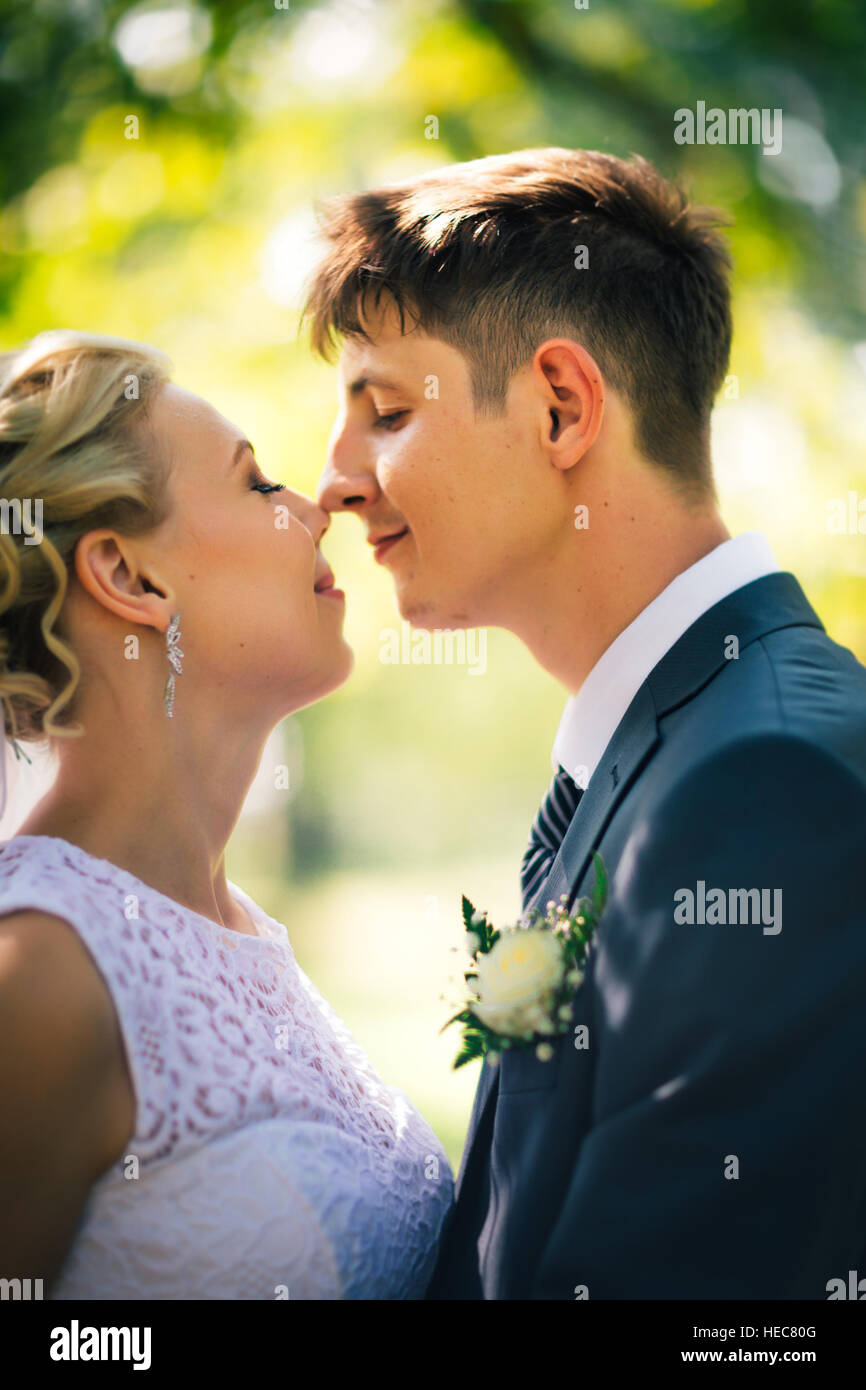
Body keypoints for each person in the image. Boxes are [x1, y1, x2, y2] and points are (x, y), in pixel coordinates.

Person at [308, 147, 866, 1299]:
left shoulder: (763, 785)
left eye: (387, 409)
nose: (334, 481)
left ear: (561, 407)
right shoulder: (675, 746)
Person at [0, 331, 452, 1299]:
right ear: (131, 578)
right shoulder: (38, 974)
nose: (318, 506)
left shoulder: (235, 925)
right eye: (256, 484)